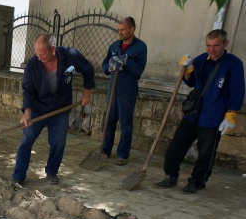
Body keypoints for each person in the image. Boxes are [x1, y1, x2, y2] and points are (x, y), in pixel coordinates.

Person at [155, 29, 245, 194]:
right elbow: (192, 83)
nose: (211, 49)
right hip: (193, 112)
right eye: (208, 45)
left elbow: (237, 92)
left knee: (205, 153)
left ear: (225, 44)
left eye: (216, 45)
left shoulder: (233, 64)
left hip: (213, 116)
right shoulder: (201, 60)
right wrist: (187, 70)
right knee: (176, 145)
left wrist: (230, 116)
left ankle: (197, 181)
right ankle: (170, 176)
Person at [12, 34, 95, 185]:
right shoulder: (33, 64)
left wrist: (87, 91)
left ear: (53, 49)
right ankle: (19, 174)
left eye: (42, 54)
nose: (39, 57)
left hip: (60, 108)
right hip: (38, 107)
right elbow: (28, 89)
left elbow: (88, 69)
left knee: (58, 141)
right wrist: (27, 112)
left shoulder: (70, 56)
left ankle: (52, 172)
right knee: (27, 138)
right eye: (37, 53)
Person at [101, 17, 148, 166]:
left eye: (122, 30)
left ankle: (122, 154)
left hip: (127, 89)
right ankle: (104, 151)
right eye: (118, 29)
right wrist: (109, 68)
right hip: (112, 88)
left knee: (125, 123)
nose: (119, 32)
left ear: (132, 29)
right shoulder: (114, 45)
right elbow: (104, 64)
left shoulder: (140, 47)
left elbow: (139, 71)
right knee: (108, 120)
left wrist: (126, 61)